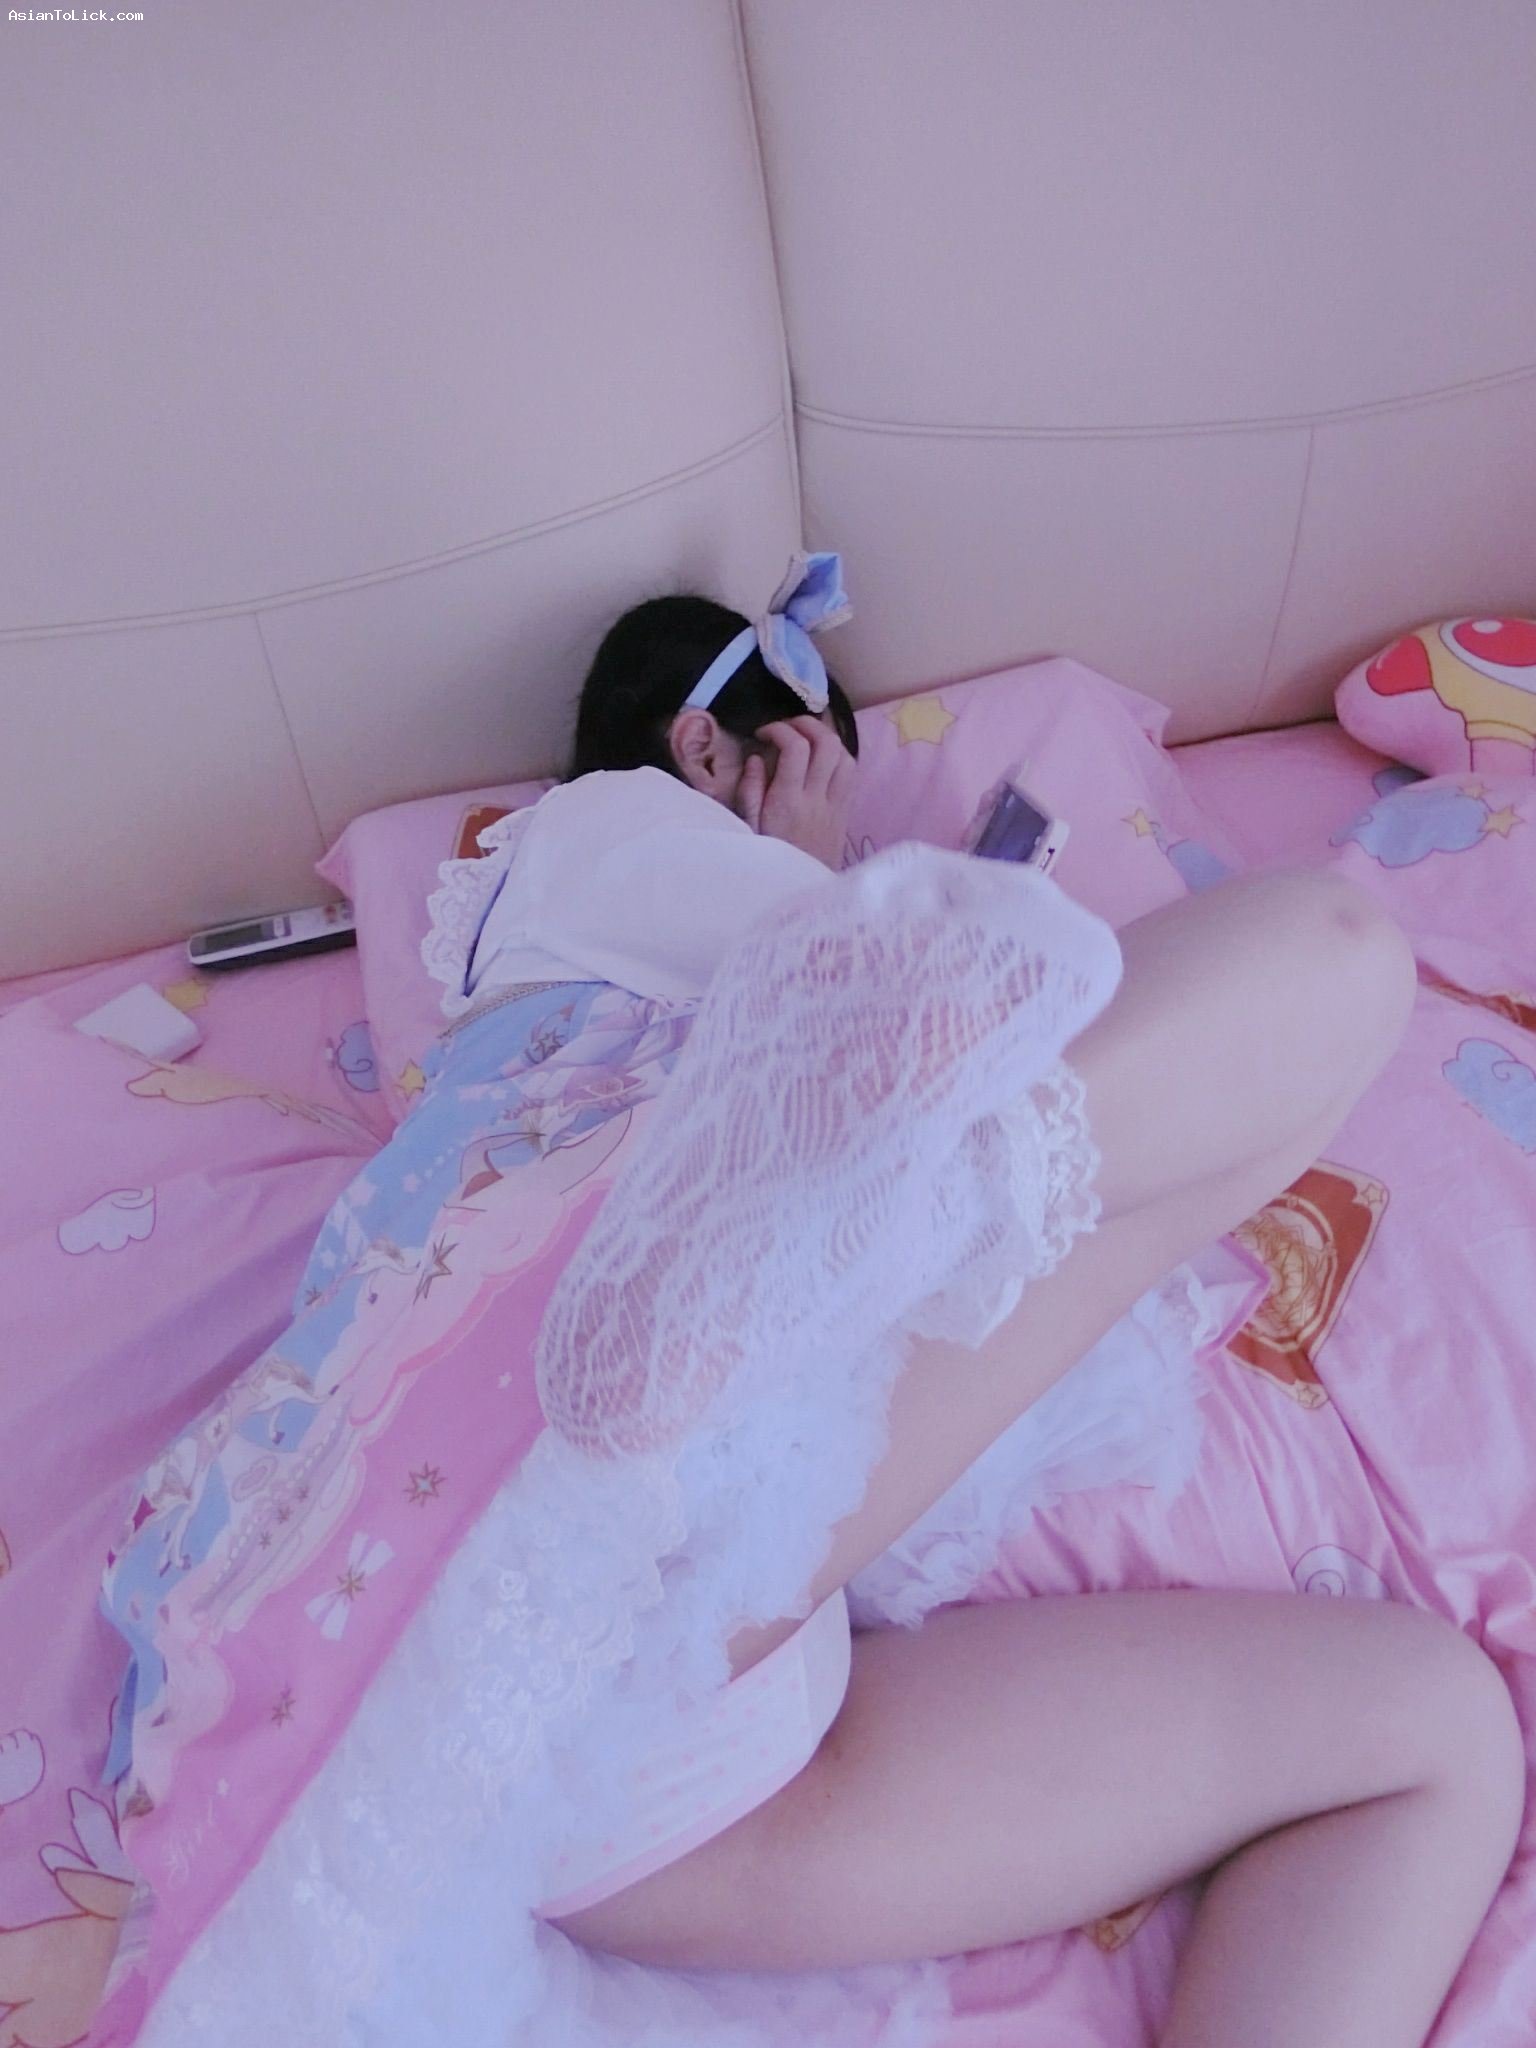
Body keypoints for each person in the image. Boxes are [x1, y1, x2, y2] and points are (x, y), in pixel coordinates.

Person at [489, 558, 1524, 2048]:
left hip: (649, 1811)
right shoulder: (591, 835)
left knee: (1434, 1736)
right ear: (708, 747)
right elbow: (780, 1052)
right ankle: (980, 1170)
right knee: (1334, 961)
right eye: (812, 765)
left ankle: (996, 1177)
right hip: (596, 1533)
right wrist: (817, 873)